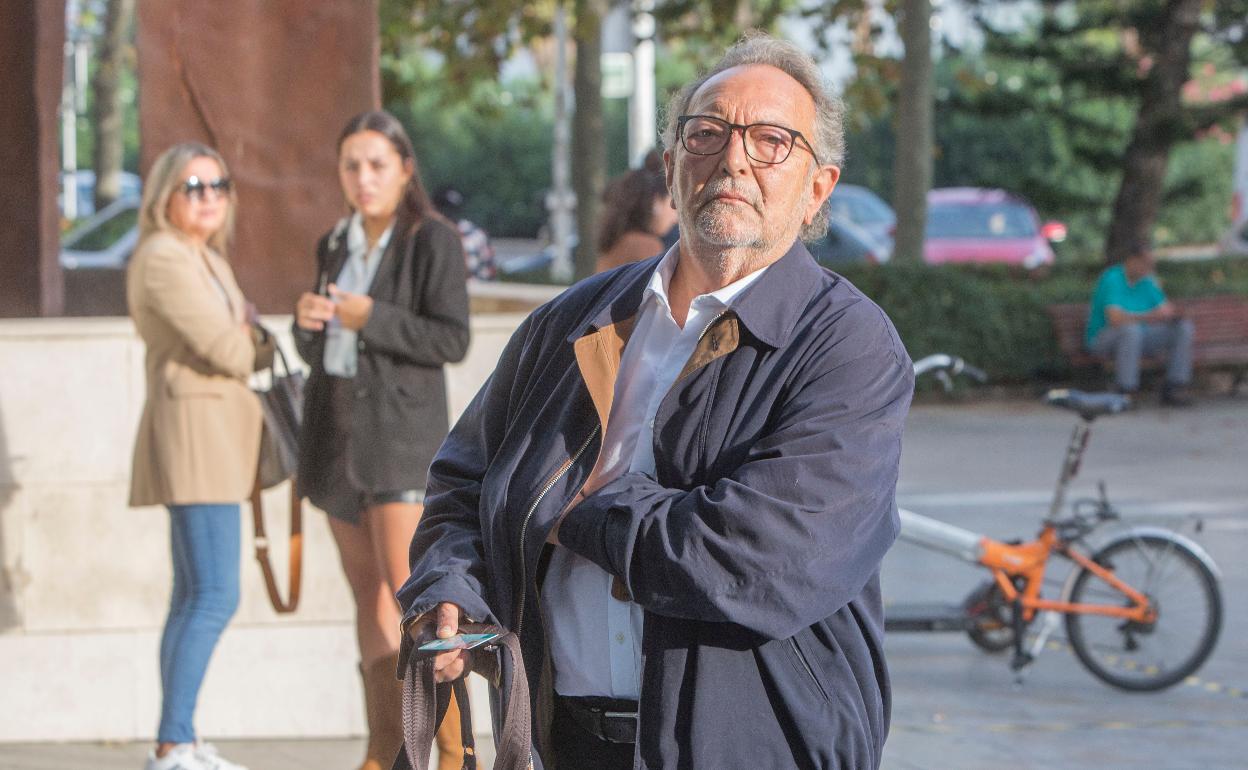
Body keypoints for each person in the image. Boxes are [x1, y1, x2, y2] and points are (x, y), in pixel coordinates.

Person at [397, 33, 913, 770]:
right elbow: (464, 478)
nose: (733, 159)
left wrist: (576, 513)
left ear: (818, 188)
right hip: (563, 739)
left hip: (758, 747)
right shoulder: (571, 321)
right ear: (672, 167)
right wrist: (450, 584)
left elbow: (764, 562)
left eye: (771, 141)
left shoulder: (848, 347)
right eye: (707, 133)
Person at [293, 111, 470, 770]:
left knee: (414, 597)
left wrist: (374, 319)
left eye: (376, 165)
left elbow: (450, 338)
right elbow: (325, 350)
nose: (363, 179)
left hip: (400, 441)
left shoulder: (432, 241)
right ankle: (385, 748)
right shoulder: (335, 243)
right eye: (351, 166)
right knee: (366, 596)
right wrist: (308, 323)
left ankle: (450, 753)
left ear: (404, 169)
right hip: (335, 438)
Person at [128, 142, 275, 770]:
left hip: (214, 438)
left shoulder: (203, 257)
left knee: (193, 594)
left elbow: (255, 343)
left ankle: (178, 736)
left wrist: (248, 332)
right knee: (213, 593)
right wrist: (246, 330)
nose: (209, 196)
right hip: (195, 438)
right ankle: (174, 742)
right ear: (165, 195)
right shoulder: (163, 257)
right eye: (193, 186)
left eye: (218, 184)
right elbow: (235, 351)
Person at [1085, 242, 1194, 405]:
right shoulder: (1113, 278)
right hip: (1104, 337)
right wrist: (1149, 316)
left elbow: (1165, 310)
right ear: (1132, 260)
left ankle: (1175, 386)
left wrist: (1175, 315)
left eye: (1152, 265)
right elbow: (1115, 319)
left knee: (1182, 328)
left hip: (1139, 336)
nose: (1149, 268)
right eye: (1146, 264)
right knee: (1130, 330)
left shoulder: (1147, 281)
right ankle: (1125, 390)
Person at [595, 167, 679, 273]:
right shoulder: (646, 246)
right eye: (671, 202)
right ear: (656, 202)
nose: (675, 217)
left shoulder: (618, 240)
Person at [433, 184, 498, 280]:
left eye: (452, 211)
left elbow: (490, 274)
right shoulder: (426, 235)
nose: (447, 216)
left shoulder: (477, 236)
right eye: (444, 210)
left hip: (475, 292)